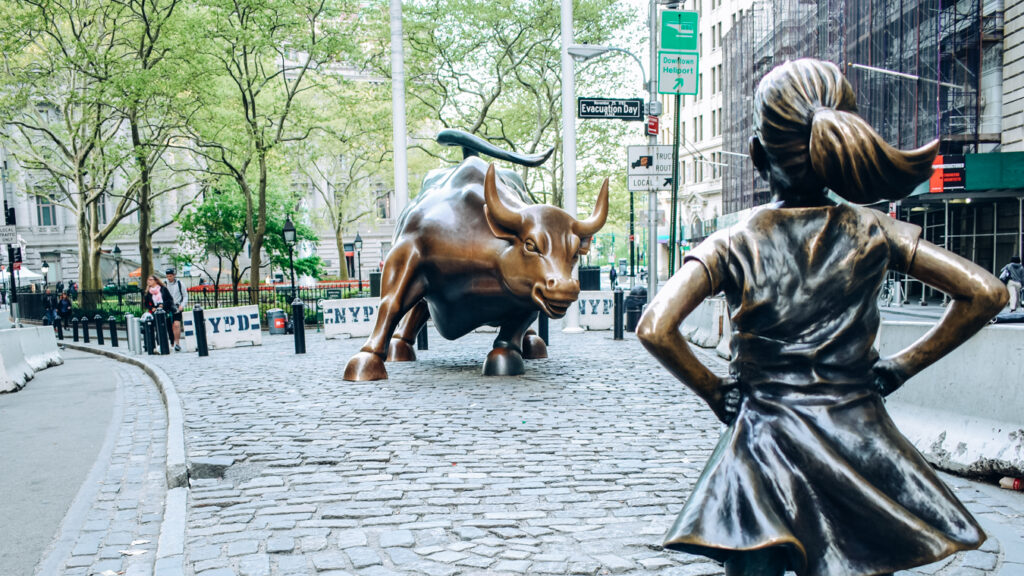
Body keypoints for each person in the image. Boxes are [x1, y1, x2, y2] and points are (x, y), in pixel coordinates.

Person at [637, 59, 1006, 576]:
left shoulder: (731, 242)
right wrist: (901, 366)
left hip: (761, 444)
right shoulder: (875, 230)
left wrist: (715, 390)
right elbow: (987, 293)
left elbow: (655, 327)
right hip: (858, 438)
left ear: (757, 156)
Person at [164, 268, 188, 352]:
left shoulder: (180, 284)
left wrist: (182, 305)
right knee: (170, 326)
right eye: (167, 276)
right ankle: (172, 343)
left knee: (177, 324)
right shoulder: (164, 284)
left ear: (174, 275)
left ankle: (177, 343)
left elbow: (185, 296)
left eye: (170, 276)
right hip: (167, 307)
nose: (169, 278)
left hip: (177, 307)